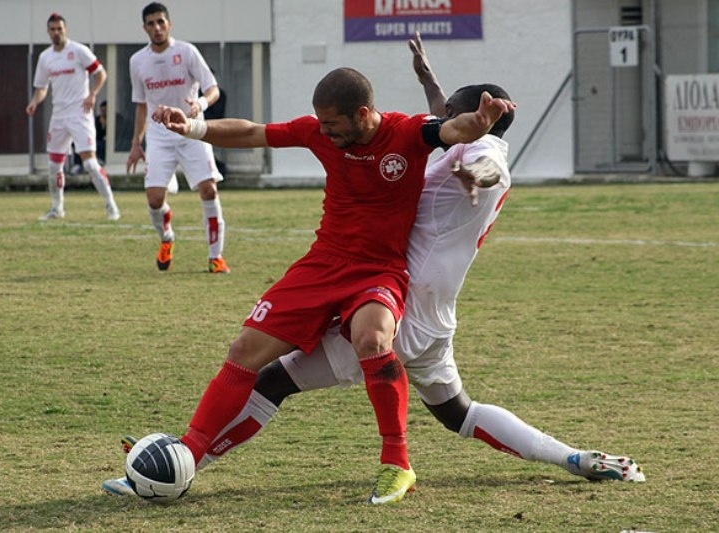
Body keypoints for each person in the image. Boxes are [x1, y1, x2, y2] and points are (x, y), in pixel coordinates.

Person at [101, 34, 642, 503]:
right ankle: (574, 458)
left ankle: (184, 465)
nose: (439, 118)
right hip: (431, 316)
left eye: (450, 116)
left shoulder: (480, 151)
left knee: (279, 378)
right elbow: (440, 123)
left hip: (400, 303)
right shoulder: (421, 136)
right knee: (456, 412)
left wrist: (476, 157)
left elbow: (473, 148)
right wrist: (431, 79)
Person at [127, 2, 229, 273]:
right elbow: (141, 105)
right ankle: (167, 237)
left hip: (192, 129)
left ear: (169, 24)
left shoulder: (186, 52)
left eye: (161, 22)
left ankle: (215, 257)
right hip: (159, 135)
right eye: (151, 23)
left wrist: (200, 105)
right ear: (144, 28)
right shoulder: (137, 61)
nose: (157, 28)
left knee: (209, 189)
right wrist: (137, 143)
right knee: (154, 200)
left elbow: (212, 89)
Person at [26, 13, 120, 222]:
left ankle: (111, 205)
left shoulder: (78, 51)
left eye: (60, 29)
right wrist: (34, 102)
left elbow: (101, 73)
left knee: (90, 165)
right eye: (52, 29)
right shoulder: (45, 57)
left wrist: (92, 94)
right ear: (48, 32)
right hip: (59, 117)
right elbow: (41, 88)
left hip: (80, 115)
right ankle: (57, 208)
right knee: (54, 166)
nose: (56, 33)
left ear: (65, 30)